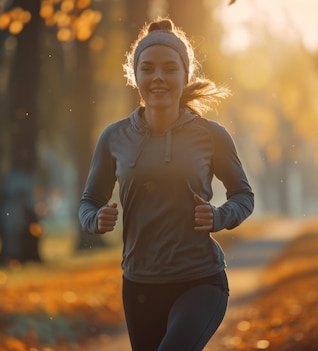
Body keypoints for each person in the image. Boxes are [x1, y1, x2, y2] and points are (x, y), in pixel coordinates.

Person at [78, 17, 254, 351]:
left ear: (185, 76)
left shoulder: (211, 136)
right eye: (148, 68)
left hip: (200, 281)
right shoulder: (114, 138)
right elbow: (89, 200)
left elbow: (243, 194)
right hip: (139, 285)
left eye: (170, 68)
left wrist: (220, 216)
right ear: (136, 77)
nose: (158, 77)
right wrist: (94, 219)